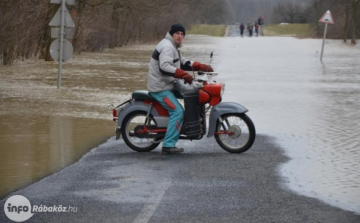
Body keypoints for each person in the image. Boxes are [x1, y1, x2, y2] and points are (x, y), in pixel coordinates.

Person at [147, 23, 213, 155]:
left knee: (193, 91)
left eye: (182, 34)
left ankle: (191, 125)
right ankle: (168, 145)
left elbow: (183, 62)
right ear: (172, 34)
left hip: (170, 82)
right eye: (177, 33)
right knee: (177, 112)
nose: (180, 36)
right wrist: (184, 75)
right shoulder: (167, 46)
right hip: (160, 87)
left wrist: (201, 66)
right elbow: (164, 66)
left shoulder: (173, 47)